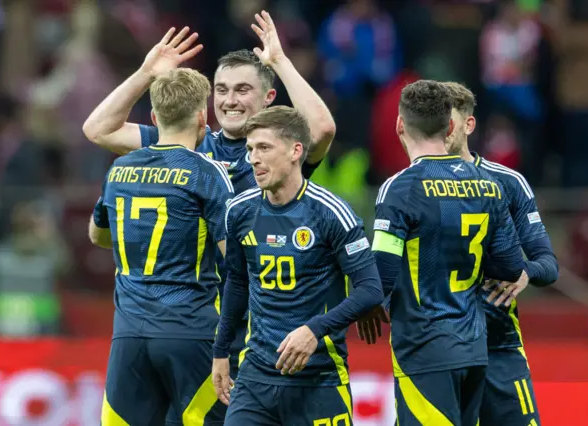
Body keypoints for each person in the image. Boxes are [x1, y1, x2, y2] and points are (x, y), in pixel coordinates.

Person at [83, 11, 336, 378]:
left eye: (242, 90)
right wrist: (146, 74)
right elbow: (99, 129)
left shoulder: (280, 154)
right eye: (221, 90)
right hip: (197, 328)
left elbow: (322, 128)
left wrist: (280, 62)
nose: (229, 101)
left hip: (263, 330)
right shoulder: (188, 145)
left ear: (268, 97)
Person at [359, 80, 526, 426]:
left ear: (399, 125)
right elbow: (511, 266)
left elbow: (382, 275)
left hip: (424, 347)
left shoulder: (401, 188)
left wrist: (366, 304)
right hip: (475, 348)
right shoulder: (487, 185)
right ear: (450, 126)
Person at [212, 106, 383, 425]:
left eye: (264, 147)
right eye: (250, 149)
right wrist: (221, 351)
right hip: (255, 381)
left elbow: (371, 290)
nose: (253, 159)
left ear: (295, 150)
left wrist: (313, 330)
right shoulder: (238, 211)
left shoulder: (330, 212)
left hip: (318, 380)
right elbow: (236, 283)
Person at [88, 68, 234, 425]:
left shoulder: (120, 168)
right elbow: (235, 259)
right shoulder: (207, 173)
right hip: (191, 331)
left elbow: (97, 235)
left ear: (154, 117)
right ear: (203, 117)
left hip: (129, 334)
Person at [442, 81, 559, 426]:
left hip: (499, 345)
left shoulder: (508, 182)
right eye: (437, 121)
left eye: (451, 121)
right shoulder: (409, 185)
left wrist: (525, 272)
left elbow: (548, 265)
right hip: (437, 350)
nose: (444, 130)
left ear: (469, 125)